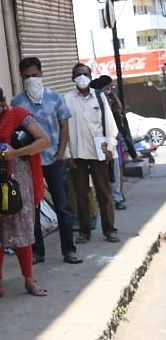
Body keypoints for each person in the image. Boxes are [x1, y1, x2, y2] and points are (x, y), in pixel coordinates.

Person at [0, 83, 50, 301]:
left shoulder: (20, 117)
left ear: (3, 100)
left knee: (22, 232)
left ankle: (29, 279)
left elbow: (44, 140)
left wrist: (16, 153)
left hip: (17, 184)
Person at [10, 57, 81, 264]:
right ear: (21, 77)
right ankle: (37, 252)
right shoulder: (17, 103)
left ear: (41, 74)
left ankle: (69, 250)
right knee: (32, 208)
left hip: (53, 160)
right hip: (29, 164)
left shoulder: (55, 98)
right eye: (27, 76)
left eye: (34, 75)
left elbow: (64, 127)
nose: (31, 79)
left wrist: (61, 153)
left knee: (62, 206)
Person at [64, 63, 120, 243]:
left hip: (99, 153)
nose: (82, 77)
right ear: (73, 78)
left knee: (104, 193)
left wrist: (110, 148)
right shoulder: (66, 99)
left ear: (90, 76)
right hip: (77, 154)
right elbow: (62, 129)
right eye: (78, 74)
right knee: (81, 194)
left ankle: (109, 229)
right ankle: (84, 230)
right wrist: (66, 154)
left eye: (85, 74)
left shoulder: (99, 97)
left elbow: (110, 124)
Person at [92, 76, 130, 210]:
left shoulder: (108, 100)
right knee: (101, 171)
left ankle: (117, 197)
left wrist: (113, 95)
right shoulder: (94, 101)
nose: (109, 90)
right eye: (106, 87)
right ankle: (106, 197)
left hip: (110, 139)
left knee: (115, 169)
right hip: (96, 141)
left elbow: (119, 109)